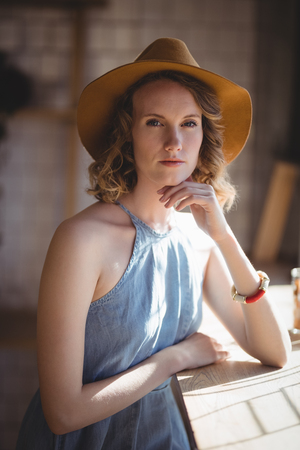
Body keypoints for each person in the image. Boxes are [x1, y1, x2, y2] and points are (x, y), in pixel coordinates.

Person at [16, 38, 291, 450]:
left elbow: (276, 353)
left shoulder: (199, 242)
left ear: (204, 137)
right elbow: (62, 414)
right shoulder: (81, 240)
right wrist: (175, 359)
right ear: (127, 135)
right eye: (154, 122)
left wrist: (224, 235)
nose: (174, 142)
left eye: (189, 123)